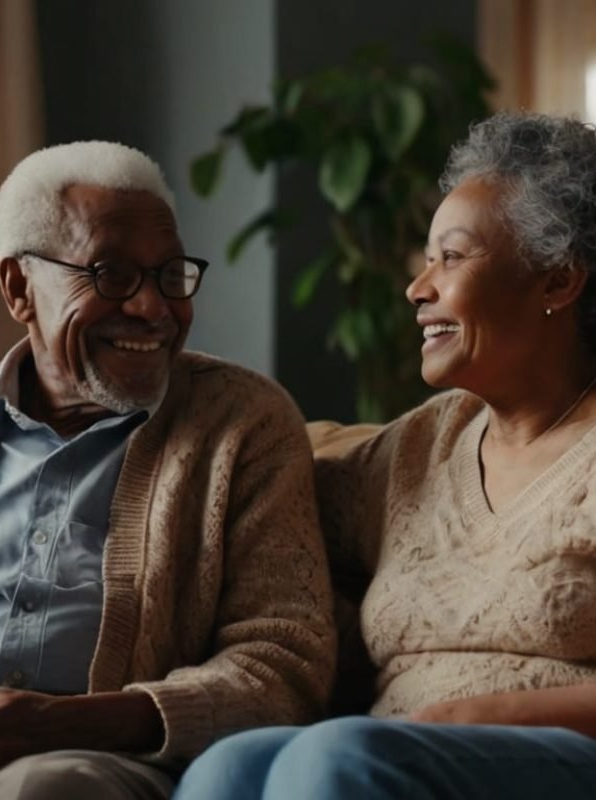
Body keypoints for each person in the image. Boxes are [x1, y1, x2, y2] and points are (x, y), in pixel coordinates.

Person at [0, 141, 335, 800]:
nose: (153, 308)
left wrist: (60, 725)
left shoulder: (244, 426)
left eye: (170, 275)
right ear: (19, 287)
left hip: (91, 764)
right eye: (111, 275)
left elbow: (283, 662)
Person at [174, 111, 596, 799]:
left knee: (337, 760)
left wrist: (464, 719)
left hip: (554, 758)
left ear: (558, 280)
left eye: (452, 258)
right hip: (394, 753)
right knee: (230, 767)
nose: (418, 287)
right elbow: (261, 508)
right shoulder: (419, 448)